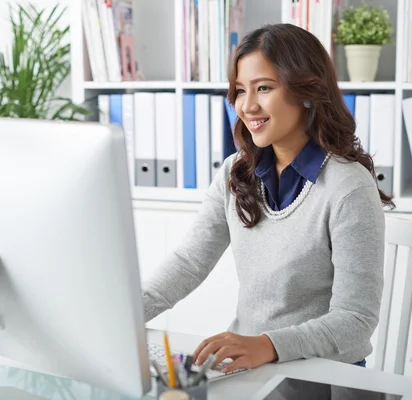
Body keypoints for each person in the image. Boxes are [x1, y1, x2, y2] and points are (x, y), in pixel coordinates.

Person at [141, 23, 394, 374]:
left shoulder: (348, 187)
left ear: (306, 90)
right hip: (250, 364)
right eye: (240, 91)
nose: (248, 106)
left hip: (324, 374)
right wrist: (125, 315)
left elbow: (356, 318)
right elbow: (189, 262)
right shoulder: (235, 172)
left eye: (264, 88)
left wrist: (269, 345)